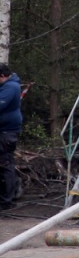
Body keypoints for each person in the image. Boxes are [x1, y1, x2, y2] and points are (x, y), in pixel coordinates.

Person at [0, 64, 21, 211]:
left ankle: (6, 201)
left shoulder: (10, 87)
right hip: (4, 131)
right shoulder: (7, 86)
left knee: (5, 164)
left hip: (7, 133)